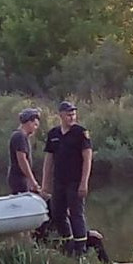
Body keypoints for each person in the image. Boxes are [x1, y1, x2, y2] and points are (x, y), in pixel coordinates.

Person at [42, 101, 93, 255]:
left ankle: (80, 249)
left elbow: (87, 158)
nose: (72, 117)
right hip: (59, 180)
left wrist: (84, 182)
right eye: (69, 114)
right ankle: (68, 241)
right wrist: (45, 183)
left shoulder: (81, 133)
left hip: (75, 180)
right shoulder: (54, 134)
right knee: (57, 213)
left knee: (76, 213)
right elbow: (49, 160)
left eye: (74, 114)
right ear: (61, 115)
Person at [8, 108, 42, 194]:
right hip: (19, 179)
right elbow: (22, 160)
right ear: (29, 122)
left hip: (20, 178)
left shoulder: (21, 136)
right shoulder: (20, 136)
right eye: (35, 125)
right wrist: (32, 181)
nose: (35, 129)